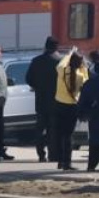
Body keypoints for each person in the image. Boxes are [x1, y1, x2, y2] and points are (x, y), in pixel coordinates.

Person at [26, 36, 62, 164]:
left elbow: (28, 78)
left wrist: (37, 86)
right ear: (57, 46)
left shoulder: (36, 61)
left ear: (45, 46)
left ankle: (41, 154)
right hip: (57, 100)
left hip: (41, 100)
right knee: (54, 129)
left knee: (40, 128)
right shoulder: (61, 61)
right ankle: (54, 154)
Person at [54, 49, 89, 171]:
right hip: (72, 106)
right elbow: (86, 80)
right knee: (68, 136)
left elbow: (60, 64)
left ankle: (60, 161)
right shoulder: (80, 75)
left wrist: (69, 53)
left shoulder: (62, 70)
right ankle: (67, 162)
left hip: (59, 104)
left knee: (60, 134)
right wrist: (83, 66)